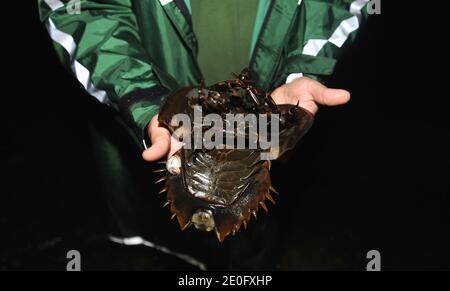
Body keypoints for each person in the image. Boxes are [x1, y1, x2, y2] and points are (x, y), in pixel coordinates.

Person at [38, 0, 369, 270]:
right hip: (177, 132)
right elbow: (78, 9)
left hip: (250, 145)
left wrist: (303, 68)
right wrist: (141, 97)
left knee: (247, 248)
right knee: (174, 245)